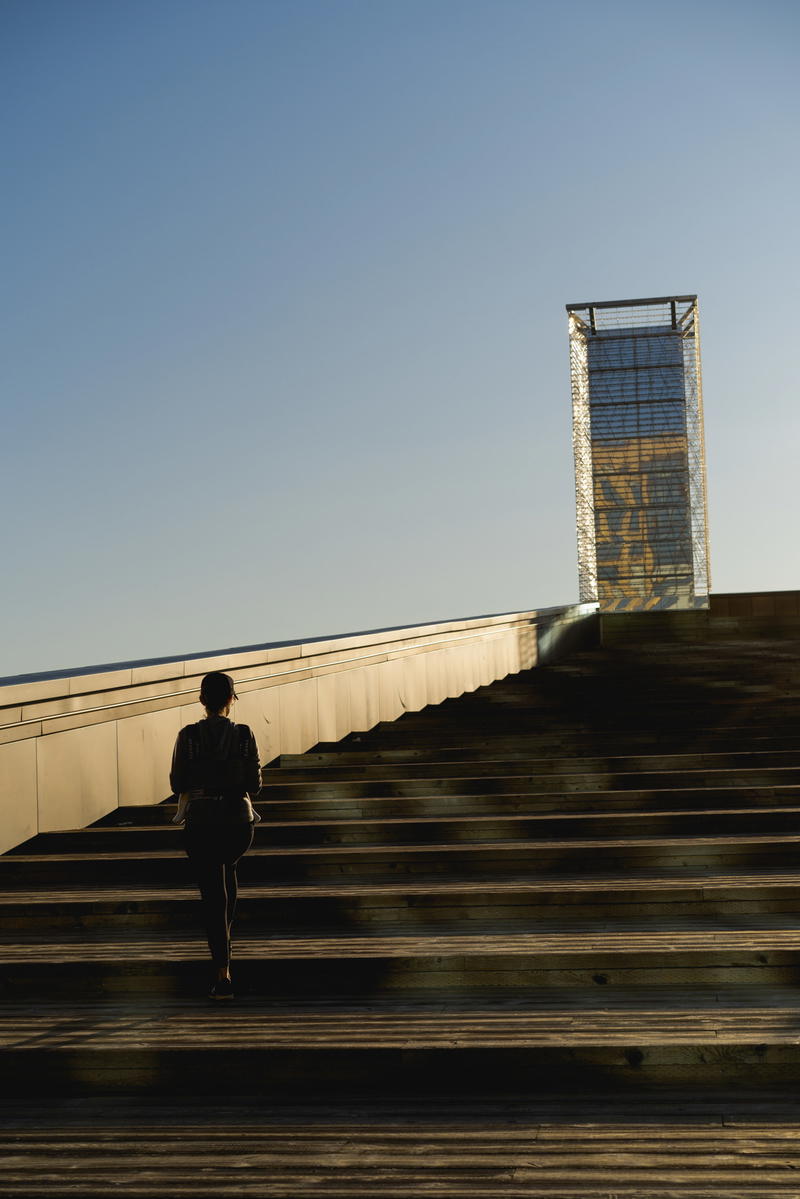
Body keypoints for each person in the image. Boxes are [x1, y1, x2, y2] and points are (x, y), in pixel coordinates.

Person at [170, 671, 262, 1000]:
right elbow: (255, 784)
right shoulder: (244, 734)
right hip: (238, 821)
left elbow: (177, 784)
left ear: (201, 700)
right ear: (230, 700)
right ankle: (227, 955)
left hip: (202, 820)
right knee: (229, 877)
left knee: (212, 895)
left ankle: (221, 973)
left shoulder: (189, 735)